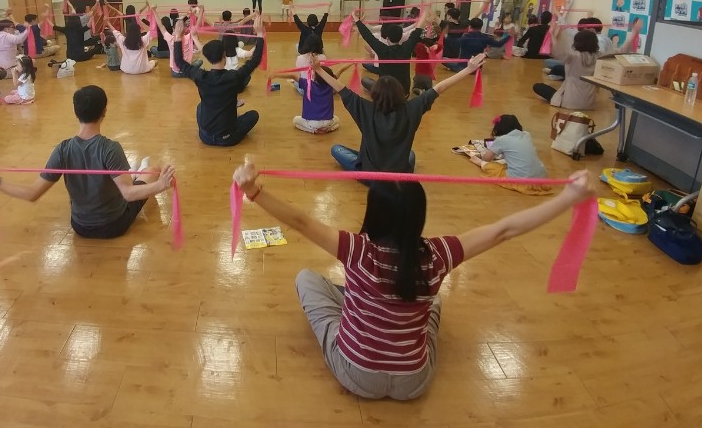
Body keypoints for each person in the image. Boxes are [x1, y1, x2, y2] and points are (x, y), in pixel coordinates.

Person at [231, 159, 593, 400]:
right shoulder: (438, 256)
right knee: (435, 301)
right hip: (414, 382)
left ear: (374, 212)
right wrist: (568, 198)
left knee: (306, 278)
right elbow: (504, 230)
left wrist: (253, 191)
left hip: (356, 374)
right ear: (419, 215)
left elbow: (300, 221)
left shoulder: (356, 249)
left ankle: (358, 303)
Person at [0, 85, 176, 239]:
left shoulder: (63, 149)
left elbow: (32, 193)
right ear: (104, 111)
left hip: (80, 226)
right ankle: (137, 172)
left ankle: (131, 173)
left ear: (76, 112)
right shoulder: (110, 148)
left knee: (131, 178)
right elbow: (129, 194)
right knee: (153, 170)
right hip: (113, 225)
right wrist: (161, 184)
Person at [322, 53, 487, 175]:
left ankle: (368, 159)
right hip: (399, 173)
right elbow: (439, 88)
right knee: (410, 155)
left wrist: (317, 69)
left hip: (370, 174)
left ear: (374, 94)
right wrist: (469, 69)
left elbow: (340, 88)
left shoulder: (364, 108)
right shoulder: (412, 108)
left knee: (336, 149)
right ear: (400, 93)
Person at [173, 16, 265, 146]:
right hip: (227, 138)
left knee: (200, 106)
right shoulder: (233, 77)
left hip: (205, 137)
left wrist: (178, 37)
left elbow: (179, 62)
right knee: (253, 115)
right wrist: (260, 34)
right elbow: (255, 60)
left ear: (209, 59)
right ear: (224, 56)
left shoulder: (200, 76)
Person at [463, 114, 550, 195]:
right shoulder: (527, 134)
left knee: (494, 167)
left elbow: (486, 159)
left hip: (521, 179)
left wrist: (482, 161)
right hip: (541, 177)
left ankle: (479, 163)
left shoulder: (501, 140)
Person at [354, 7, 429, 95]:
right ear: (401, 37)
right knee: (368, 81)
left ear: (387, 38)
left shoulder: (382, 49)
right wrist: (425, 13)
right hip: (404, 93)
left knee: (365, 80)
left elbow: (367, 35)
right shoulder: (407, 47)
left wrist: (355, 17)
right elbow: (418, 30)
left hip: (385, 94)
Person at [267, 64, 346, 134]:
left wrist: (275, 75)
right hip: (328, 121)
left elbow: (293, 76)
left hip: (313, 123)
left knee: (295, 120)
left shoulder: (308, 84)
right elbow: (340, 70)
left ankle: (313, 130)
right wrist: (351, 62)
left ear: (314, 77)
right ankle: (327, 129)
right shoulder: (331, 84)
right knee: (337, 119)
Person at [442, 18, 511, 71]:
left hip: (463, 67)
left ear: (470, 26)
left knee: (443, 59)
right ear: (481, 27)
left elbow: (453, 42)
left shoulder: (466, 37)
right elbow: (499, 44)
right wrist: (510, 36)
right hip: (477, 67)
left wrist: (445, 35)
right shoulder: (485, 37)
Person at [152, 9, 201, 79]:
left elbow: (161, 26)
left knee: (153, 48)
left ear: (173, 29)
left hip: (175, 73)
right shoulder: (188, 37)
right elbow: (197, 26)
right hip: (187, 71)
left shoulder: (170, 39)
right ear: (184, 29)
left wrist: (154, 11)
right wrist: (200, 11)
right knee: (199, 61)